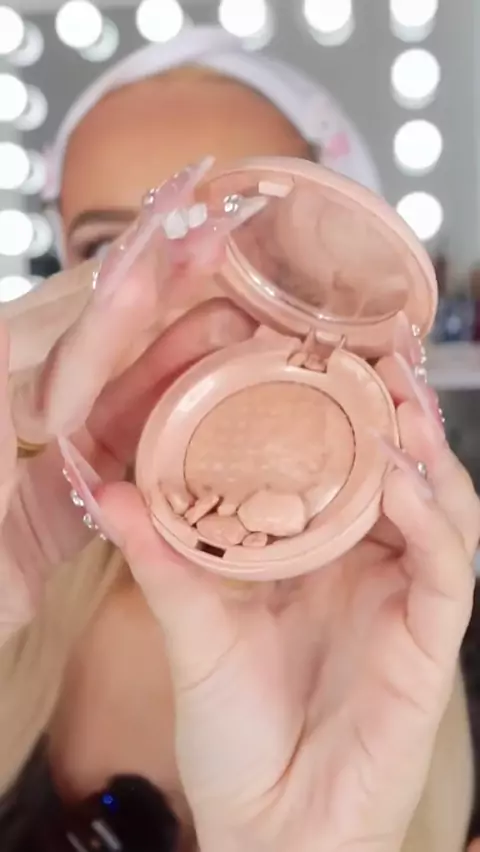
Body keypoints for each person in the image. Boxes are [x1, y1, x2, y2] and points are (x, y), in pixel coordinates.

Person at [0, 25, 478, 852]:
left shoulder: (438, 646)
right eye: (109, 246)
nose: (173, 289)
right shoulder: (17, 592)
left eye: (245, 228)